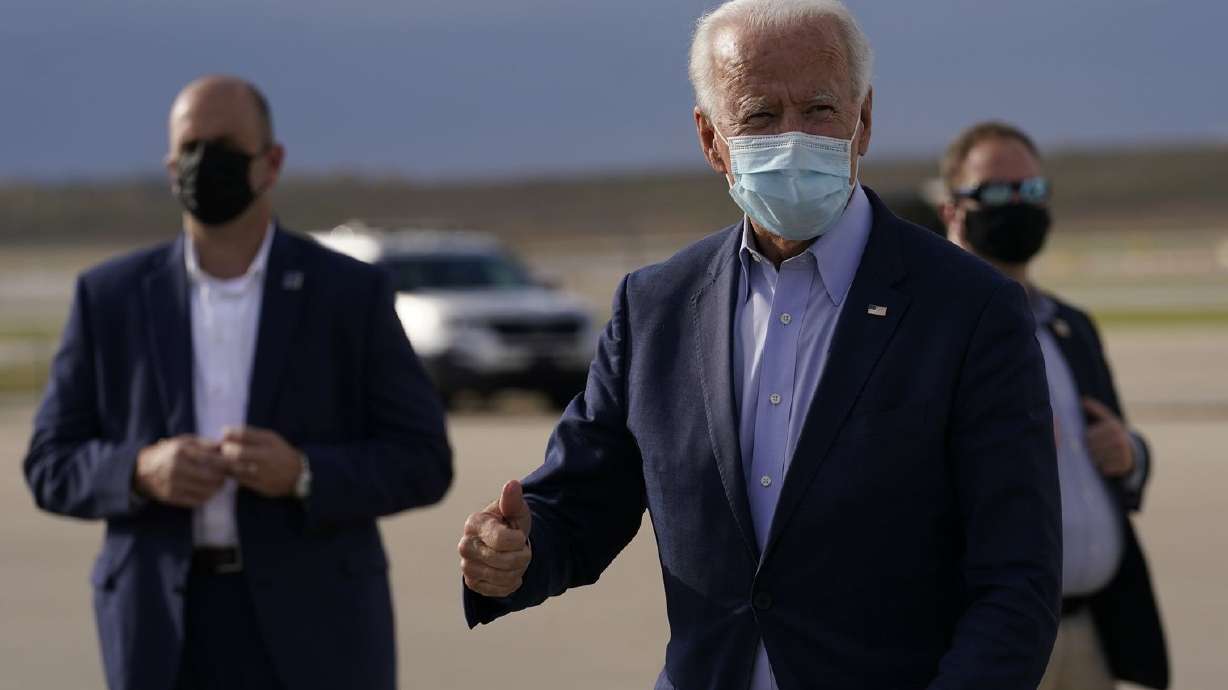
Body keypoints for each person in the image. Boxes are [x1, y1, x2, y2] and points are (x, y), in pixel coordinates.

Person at [456, 1, 1062, 688]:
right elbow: (581, 506)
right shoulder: (656, 308)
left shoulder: (970, 310)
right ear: (711, 139)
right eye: (762, 117)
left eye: (820, 110)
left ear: (863, 120)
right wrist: (513, 553)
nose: (795, 137)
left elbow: (1017, 582)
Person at [23, 75, 453, 690]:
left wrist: (304, 472)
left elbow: (423, 458)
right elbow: (49, 463)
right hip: (160, 631)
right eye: (190, 149)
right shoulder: (108, 298)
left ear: (271, 163)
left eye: (223, 146)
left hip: (317, 631)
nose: (203, 165)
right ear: (171, 166)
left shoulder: (348, 295)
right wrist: (140, 471)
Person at [940, 120, 1169, 690]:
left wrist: (1129, 456)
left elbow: (1115, 452)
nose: (1016, 205)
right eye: (995, 192)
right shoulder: (931, 332)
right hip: (993, 640)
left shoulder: (1071, 327)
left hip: (1089, 634)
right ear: (952, 211)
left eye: (1031, 192)